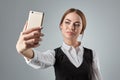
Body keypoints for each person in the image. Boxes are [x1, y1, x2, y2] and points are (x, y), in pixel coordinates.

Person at [16, 8, 102, 80]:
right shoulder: (54, 54)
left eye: (77, 24)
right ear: (61, 25)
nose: (71, 27)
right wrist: (24, 50)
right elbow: (39, 59)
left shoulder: (92, 54)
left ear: (82, 30)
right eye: (67, 22)